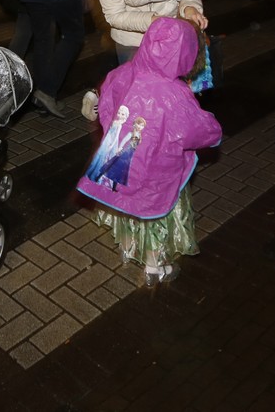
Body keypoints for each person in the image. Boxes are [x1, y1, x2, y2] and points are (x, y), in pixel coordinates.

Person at [75, 17, 223, 286]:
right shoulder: (176, 94)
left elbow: (107, 103)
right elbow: (198, 130)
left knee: (128, 206)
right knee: (155, 214)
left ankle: (127, 246)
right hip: (158, 172)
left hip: (120, 161)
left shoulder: (124, 72)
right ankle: (155, 267)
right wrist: (214, 130)